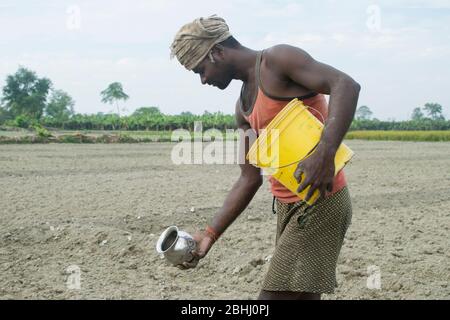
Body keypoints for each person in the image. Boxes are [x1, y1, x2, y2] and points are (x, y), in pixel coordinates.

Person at [170, 15, 360, 300]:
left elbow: (345, 85)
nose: (203, 80)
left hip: (320, 201)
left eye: (201, 69)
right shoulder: (243, 108)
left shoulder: (277, 61)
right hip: (287, 207)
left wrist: (325, 152)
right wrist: (209, 234)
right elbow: (248, 179)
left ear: (218, 52)